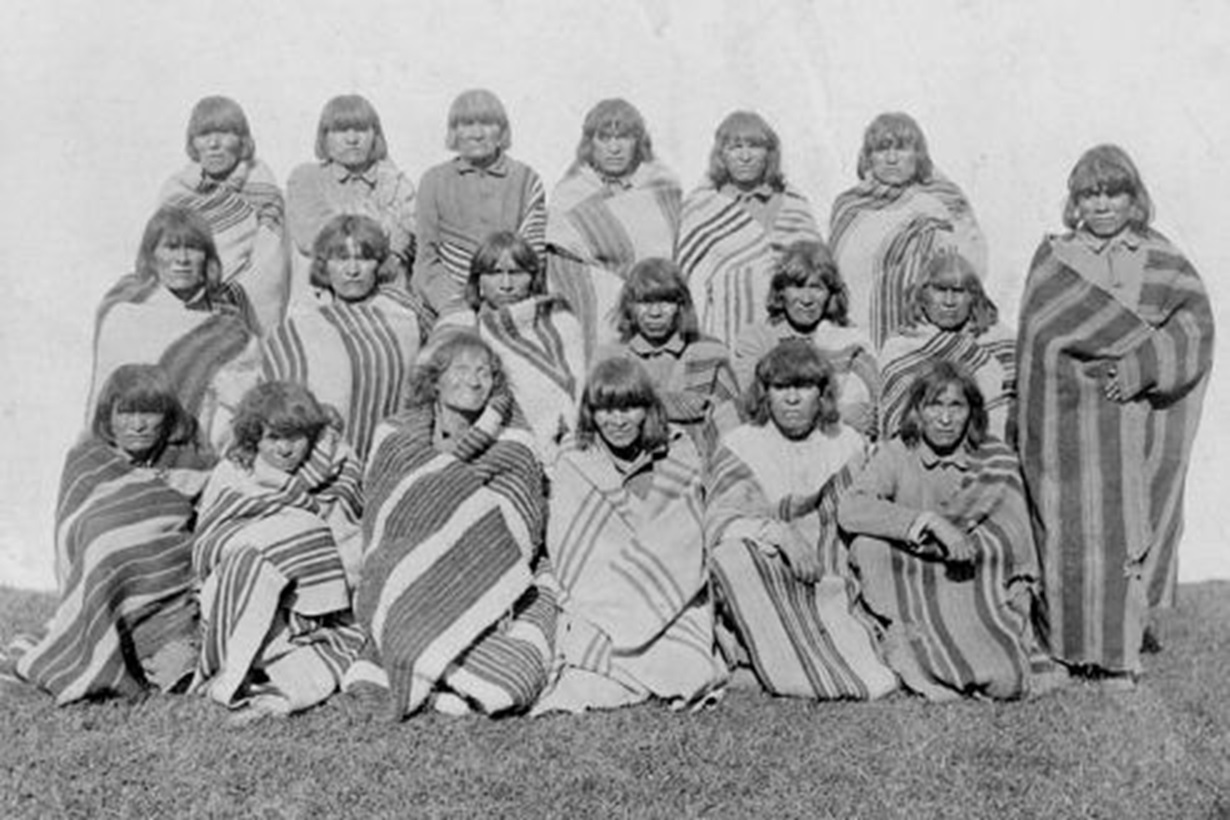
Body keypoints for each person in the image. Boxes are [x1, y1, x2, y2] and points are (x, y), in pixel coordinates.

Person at [1016, 144, 1214, 687]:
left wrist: (1142, 366)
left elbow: (1193, 324)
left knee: (1125, 529)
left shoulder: (1161, 257)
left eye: (1114, 192)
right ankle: (1064, 649)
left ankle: (1118, 657)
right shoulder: (1057, 259)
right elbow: (1040, 337)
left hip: (1132, 418)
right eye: (1089, 194)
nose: (1102, 205)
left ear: (1135, 198)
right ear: (1074, 201)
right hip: (1067, 422)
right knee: (1065, 531)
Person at [344, 333, 557, 718]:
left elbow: (518, 520)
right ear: (435, 380)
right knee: (398, 607)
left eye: (484, 373)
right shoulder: (396, 435)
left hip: (485, 568)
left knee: (513, 675)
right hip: (407, 563)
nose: (474, 381)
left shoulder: (514, 443)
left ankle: (434, 669)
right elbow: (385, 514)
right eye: (460, 369)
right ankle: (426, 667)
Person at [10, 365, 214, 703]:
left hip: (168, 596)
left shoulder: (192, 462)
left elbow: (209, 522)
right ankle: (103, 651)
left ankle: (143, 652)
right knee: (102, 544)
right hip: (103, 590)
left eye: (150, 412)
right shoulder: (87, 461)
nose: (137, 425)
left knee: (181, 671)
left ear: (167, 417)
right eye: (127, 412)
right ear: (108, 416)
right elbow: (74, 533)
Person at [534, 357, 726, 714]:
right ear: (591, 412)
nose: (618, 420)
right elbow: (571, 542)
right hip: (601, 594)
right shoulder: (575, 458)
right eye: (606, 409)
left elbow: (682, 535)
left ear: (648, 410)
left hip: (671, 593)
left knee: (692, 670)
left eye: (630, 407)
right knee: (588, 653)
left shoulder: (678, 451)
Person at [706, 341, 898, 700]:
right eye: (781, 388)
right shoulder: (741, 443)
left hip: (832, 565)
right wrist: (781, 534)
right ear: (765, 394)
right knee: (731, 557)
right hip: (770, 565)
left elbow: (865, 505)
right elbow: (720, 520)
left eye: (804, 387)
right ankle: (779, 660)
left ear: (822, 394)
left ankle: (801, 663)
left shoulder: (846, 440)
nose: (792, 399)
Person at [838, 361, 1039, 700]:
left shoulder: (994, 460)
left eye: (956, 406)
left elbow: (1016, 544)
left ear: (972, 412)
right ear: (918, 410)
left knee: (1006, 679)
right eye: (934, 405)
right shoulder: (898, 452)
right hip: (911, 585)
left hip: (971, 586)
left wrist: (1020, 606)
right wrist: (930, 522)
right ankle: (911, 648)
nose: (945, 419)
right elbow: (851, 508)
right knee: (869, 547)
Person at [192, 381, 364, 721]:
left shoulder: (338, 465)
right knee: (251, 556)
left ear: (312, 435)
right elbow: (210, 540)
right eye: (273, 438)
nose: (285, 450)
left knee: (301, 532)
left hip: (315, 601)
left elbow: (350, 537)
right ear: (255, 436)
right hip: (240, 588)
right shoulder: (234, 470)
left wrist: (300, 536)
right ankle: (240, 667)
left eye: (295, 438)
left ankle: (271, 678)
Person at [89, 205, 260, 452]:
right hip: (120, 454)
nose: (182, 259)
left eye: (192, 248)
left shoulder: (228, 328)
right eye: (171, 247)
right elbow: (103, 397)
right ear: (152, 255)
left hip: (198, 458)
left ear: (207, 257)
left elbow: (242, 405)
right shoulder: (124, 311)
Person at [262, 214, 431, 460]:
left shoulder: (405, 311)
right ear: (324, 264)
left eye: (363, 258)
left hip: (397, 453)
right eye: (341, 259)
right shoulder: (303, 318)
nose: (352, 270)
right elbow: (278, 390)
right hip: (319, 457)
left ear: (379, 264)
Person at [829, 112, 987, 349]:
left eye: (902, 148)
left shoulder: (943, 200)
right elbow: (834, 275)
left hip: (922, 336)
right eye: (882, 149)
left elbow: (970, 268)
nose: (892, 159)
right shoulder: (847, 206)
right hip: (856, 334)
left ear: (918, 155)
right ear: (869, 157)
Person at [545, 98, 682, 360]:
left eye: (625, 137)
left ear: (638, 142)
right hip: (593, 310)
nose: (615, 148)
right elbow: (562, 265)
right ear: (590, 144)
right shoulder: (570, 192)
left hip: (656, 306)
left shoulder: (662, 185)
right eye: (604, 138)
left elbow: (665, 251)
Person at [677, 111, 823, 349]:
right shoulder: (701, 207)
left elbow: (818, 273)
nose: (745, 156)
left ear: (769, 154)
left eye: (754, 146)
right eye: (735, 147)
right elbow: (689, 281)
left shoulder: (793, 204)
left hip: (788, 334)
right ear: (721, 155)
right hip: (722, 332)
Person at [158, 95, 289, 333]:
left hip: (241, 309)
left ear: (242, 140)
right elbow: (161, 255)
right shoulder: (175, 191)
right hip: (182, 305)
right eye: (204, 135)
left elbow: (270, 263)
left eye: (225, 133)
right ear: (193, 143)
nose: (214, 144)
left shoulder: (263, 187)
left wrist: (228, 297)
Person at [413, 89, 547, 321]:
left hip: (514, 301)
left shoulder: (525, 179)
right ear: (454, 132)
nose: (477, 134)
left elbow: (532, 258)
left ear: (502, 131)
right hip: (449, 303)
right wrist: (454, 306)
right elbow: (426, 258)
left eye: (487, 123)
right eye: (466, 124)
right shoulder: (434, 181)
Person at [457, 230, 586, 462]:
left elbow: (578, 385)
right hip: (506, 450)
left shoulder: (562, 321)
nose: (506, 285)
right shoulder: (469, 333)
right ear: (478, 281)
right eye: (495, 273)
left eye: (516, 273)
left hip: (572, 444)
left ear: (533, 277)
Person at [733, 240, 878, 438]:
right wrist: (835, 416)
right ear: (781, 291)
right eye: (797, 287)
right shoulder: (758, 338)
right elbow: (752, 404)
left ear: (830, 294)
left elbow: (868, 400)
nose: (807, 299)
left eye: (817, 288)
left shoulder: (846, 339)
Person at [600, 257, 741, 460]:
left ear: (680, 305)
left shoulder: (710, 352)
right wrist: (679, 405)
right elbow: (600, 420)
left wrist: (641, 402)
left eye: (665, 302)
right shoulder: (612, 357)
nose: (655, 313)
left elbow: (731, 425)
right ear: (630, 306)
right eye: (644, 302)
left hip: (701, 463)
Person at [287, 94, 417, 295]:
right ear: (325, 137)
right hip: (323, 297)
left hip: (387, 293)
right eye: (340, 130)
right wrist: (382, 229)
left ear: (376, 135)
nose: (352, 139)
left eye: (362, 130)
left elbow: (409, 236)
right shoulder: (307, 177)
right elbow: (314, 239)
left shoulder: (395, 181)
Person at [878, 251, 1014, 441]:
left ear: (973, 297)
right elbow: (897, 421)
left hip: (988, 454)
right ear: (923, 295)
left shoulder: (999, 339)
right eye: (940, 290)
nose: (949, 301)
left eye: (959, 291)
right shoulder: (900, 346)